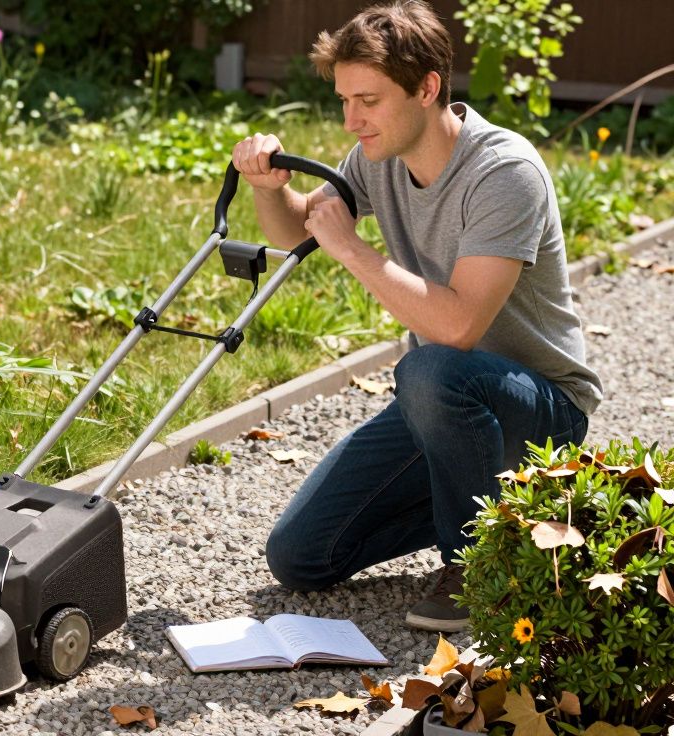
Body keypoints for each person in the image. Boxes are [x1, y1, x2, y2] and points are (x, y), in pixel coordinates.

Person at [230, 0, 601, 632]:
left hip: (539, 408)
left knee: (429, 368)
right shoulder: (381, 159)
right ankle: (508, 509)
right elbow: (300, 229)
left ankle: (477, 564)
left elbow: (459, 329)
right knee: (301, 557)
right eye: (345, 100)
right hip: (446, 405)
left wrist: (353, 251)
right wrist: (270, 187)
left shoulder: (504, 172)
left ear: (427, 87)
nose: (351, 121)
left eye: (368, 101)